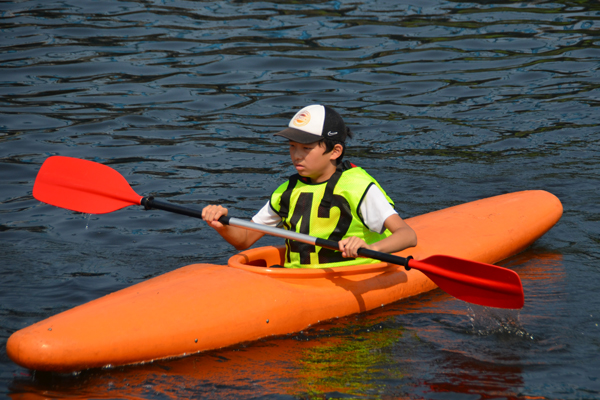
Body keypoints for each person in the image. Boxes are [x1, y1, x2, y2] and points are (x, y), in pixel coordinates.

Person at [201, 104, 417, 268]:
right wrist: (222, 225)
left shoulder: (358, 187)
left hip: (352, 274)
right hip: (299, 279)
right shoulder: (287, 191)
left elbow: (407, 235)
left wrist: (371, 248)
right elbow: (245, 240)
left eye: (306, 147)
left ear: (335, 151)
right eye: (292, 146)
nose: (296, 155)